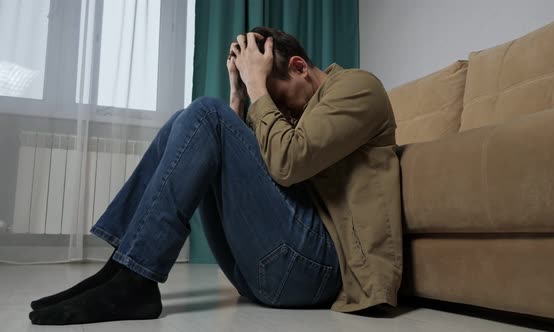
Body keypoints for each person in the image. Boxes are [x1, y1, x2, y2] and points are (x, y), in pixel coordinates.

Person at [28, 26, 402, 325]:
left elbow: (287, 162)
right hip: (268, 268)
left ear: (300, 67)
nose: (280, 112)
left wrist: (258, 91)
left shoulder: (358, 87)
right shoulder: (296, 110)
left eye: (280, 98)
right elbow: (247, 169)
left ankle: (134, 280)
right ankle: (123, 267)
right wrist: (239, 97)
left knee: (207, 114)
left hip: (322, 270)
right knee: (189, 120)